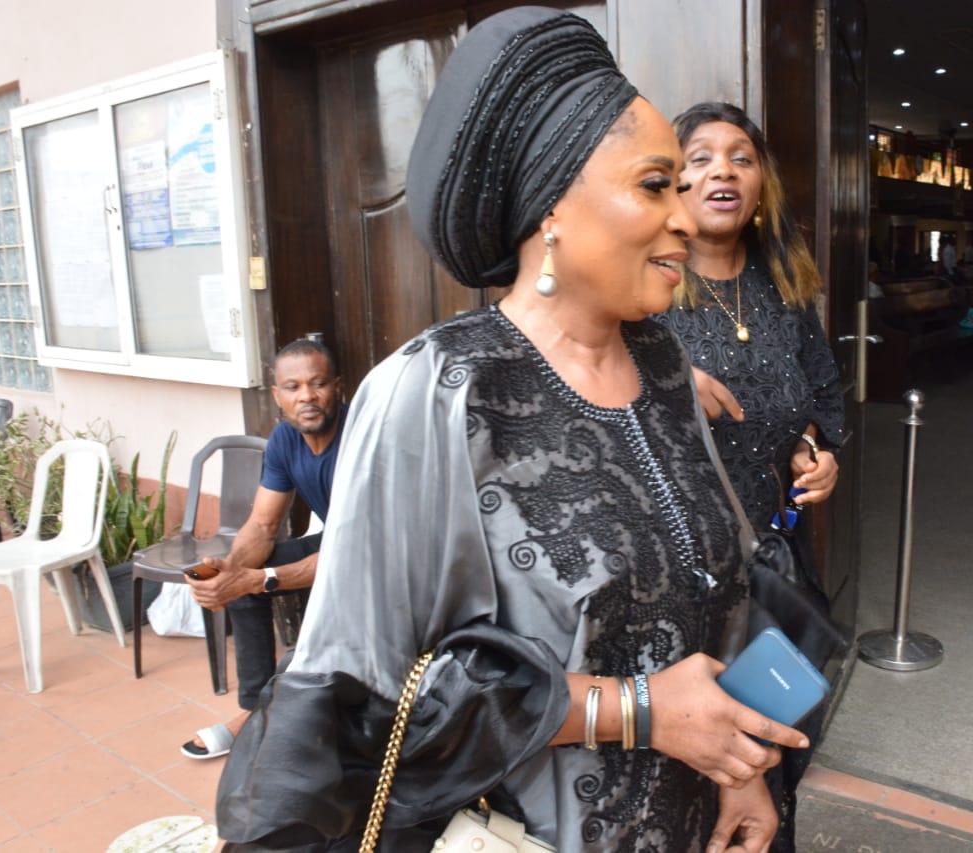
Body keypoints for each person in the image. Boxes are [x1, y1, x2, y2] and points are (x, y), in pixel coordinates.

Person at [216, 8, 809, 852]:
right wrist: (639, 710)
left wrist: (740, 768)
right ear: (552, 204)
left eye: (681, 188)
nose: (683, 216)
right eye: (655, 184)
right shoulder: (438, 388)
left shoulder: (666, 365)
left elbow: (724, 589)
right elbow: (366, 691)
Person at [657, 101, 844, 853]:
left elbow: (820, 394)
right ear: (671, 181)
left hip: (770, 562)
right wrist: (669, 382)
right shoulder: (648, 287)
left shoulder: (783, 288)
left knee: (771, 750)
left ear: (761, 183)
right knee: (694, 771)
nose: (722, 172)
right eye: (700, 157)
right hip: (678, 576)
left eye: (740, 157)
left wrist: (812, 449)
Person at [179, 338, 346, 760]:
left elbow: (358, 553)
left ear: (337, 387)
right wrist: (230, 572)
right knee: (242, 584)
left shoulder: (362, 439)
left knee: (259, 583)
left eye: (318, 383)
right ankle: (257, 713)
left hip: (392, 559)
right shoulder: (285, 440)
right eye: (293, 387)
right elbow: (263, 524)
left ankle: (301, 714)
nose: (306, 396)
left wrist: (258, 579)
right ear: (277, 395)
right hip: (341, 542)